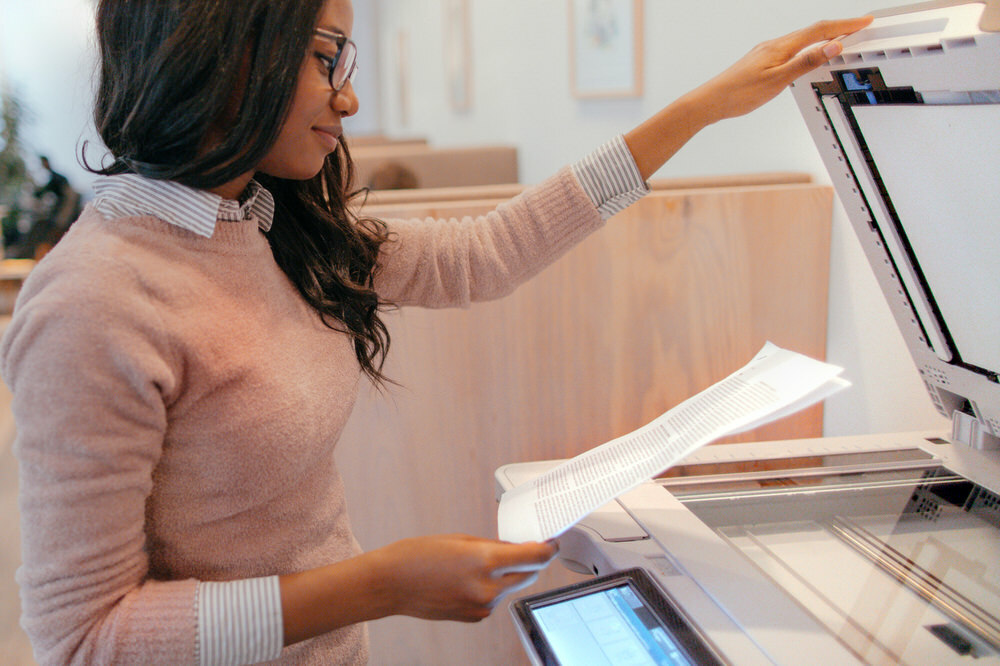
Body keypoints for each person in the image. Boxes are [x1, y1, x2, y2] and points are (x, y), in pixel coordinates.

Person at [0, 0, 872, 664]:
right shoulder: (94, 303)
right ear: (228, 53)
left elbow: (484, 255)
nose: (346, 94)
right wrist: (376, 584)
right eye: (323, 57)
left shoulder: (265, 225)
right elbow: (84, 636)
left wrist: (707, 105)